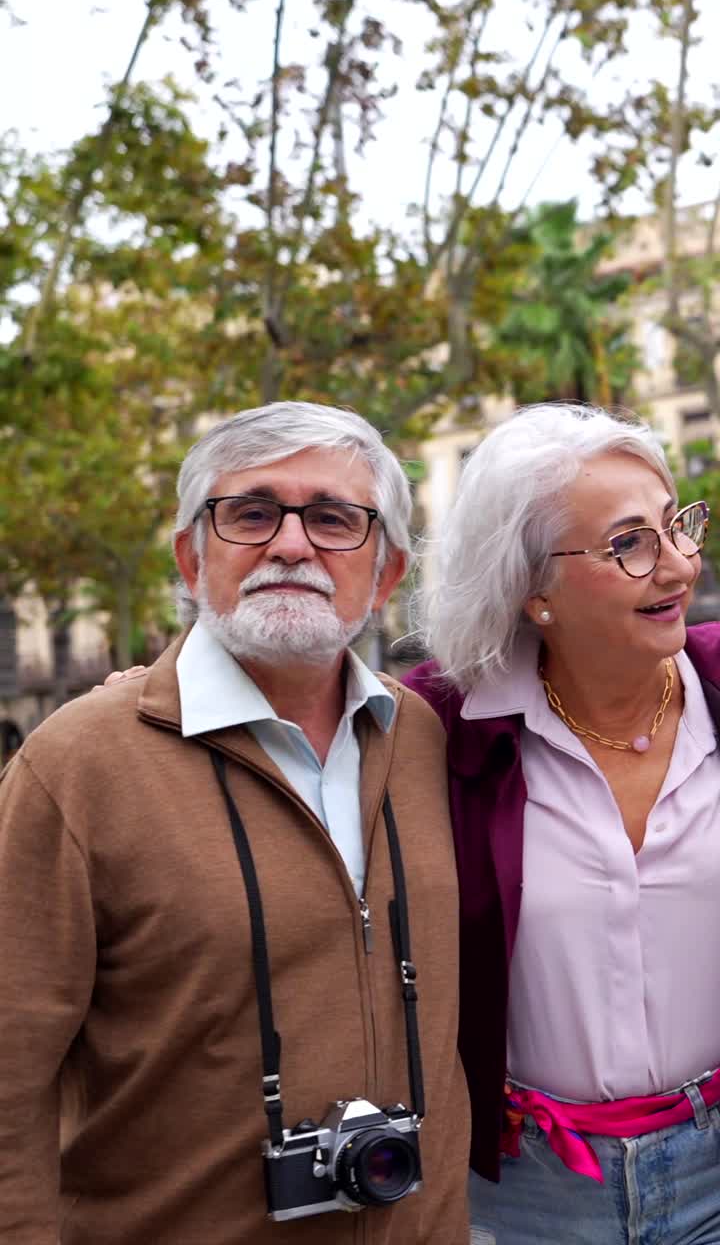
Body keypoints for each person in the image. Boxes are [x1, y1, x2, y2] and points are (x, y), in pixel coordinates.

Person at [0, 401, 470, 1245]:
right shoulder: (76, 765)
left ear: (388, 573)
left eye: (334, 518)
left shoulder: (427, 739)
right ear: (193, 554)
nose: (292, 544)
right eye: (252, 513)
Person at [405, 402, 720, 1245]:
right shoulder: (437, 729)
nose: (680, 564)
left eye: (677, 525)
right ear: (532, 587)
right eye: (630, 543)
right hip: (532, 1194)